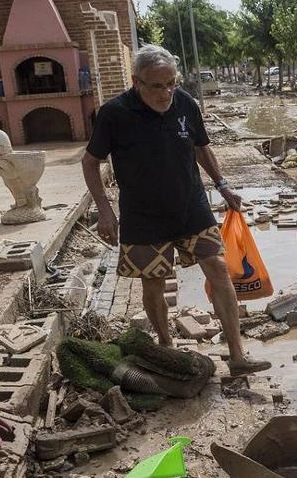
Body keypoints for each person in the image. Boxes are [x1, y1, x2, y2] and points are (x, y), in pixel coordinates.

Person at [82, 44, 270, 375]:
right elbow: (90, 162)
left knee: (218, 268)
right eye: (156, 85)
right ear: (135, 81)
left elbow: (201, 147)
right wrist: (105, 210)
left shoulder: (185, 103)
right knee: (153, 283)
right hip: (142, 215)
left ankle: (237, 354)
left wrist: (223, 185)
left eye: (171, 83)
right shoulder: (114, 114)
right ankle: (167, 348)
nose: (166, 92)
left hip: (191, 206)